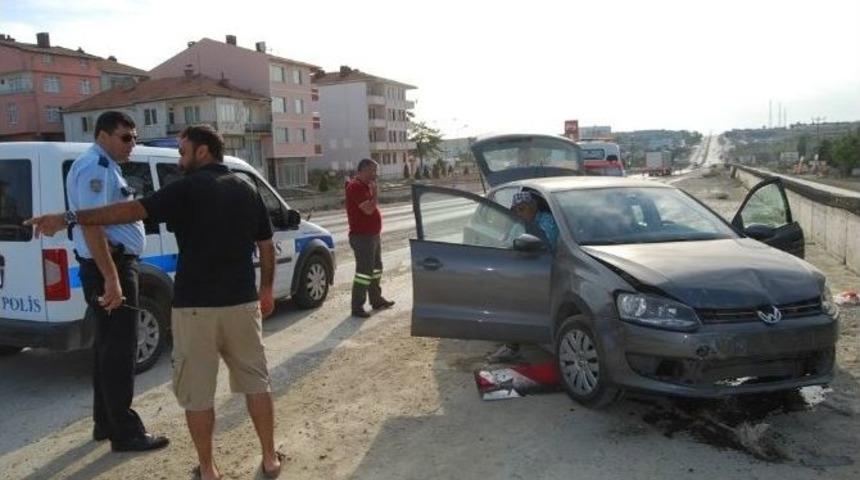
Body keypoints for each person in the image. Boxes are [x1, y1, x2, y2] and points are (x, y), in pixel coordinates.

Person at [26, 125, 282, 480]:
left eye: (183, 151)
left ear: (203, 152)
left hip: (194, 309)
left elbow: (127, 212)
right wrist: (266, 290)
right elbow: (267, 246)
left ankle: (208, 471)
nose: (180, 158)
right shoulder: (246, 187)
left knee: (197, 394)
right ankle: (270, 459)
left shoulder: (184, 189)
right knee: (257, 383)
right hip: (241, 305)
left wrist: (68, 218)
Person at [60, 111, 170, 452]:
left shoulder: (105, 165)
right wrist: (112, 279)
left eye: (135, 138)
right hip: (112, 266)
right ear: (104, 135)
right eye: (126, 137)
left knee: (107, 348)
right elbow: (91, 224)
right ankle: (126, 432)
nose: (132, 144)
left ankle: (105, 423)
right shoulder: (96, 167)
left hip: (112, 265)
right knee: (120, 349)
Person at [488, 191, 559, 363]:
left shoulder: (546, 221)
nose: (518, 213)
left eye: (522, 209)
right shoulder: (518, 223)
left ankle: (513, 346)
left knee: (514, 300)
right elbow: (507, 243)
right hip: (524, 268)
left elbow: (545, 246)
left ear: (533, 208)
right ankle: (512, 344)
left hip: (548, 270)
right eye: (515, 210)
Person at [345, 158, 395, 318]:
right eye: (373, 170)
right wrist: (375, 194)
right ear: (364, 169)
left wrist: (373, 192)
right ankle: (357, 306)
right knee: (364, 272)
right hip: (362, 237)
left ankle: (376, 299)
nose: (375, 174)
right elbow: (368, 209)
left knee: (376, 269)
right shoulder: (355, 186)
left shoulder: (366, 186)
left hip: (373, 236)